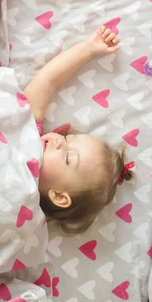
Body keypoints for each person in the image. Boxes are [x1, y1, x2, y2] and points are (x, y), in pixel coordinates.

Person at [24, 25, 134, 235]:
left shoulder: (24, 210)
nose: (58, 140)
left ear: (59, 196)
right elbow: (47, 81)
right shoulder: (27, 131)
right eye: (67, 138)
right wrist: (88, 48)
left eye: (67, 158)